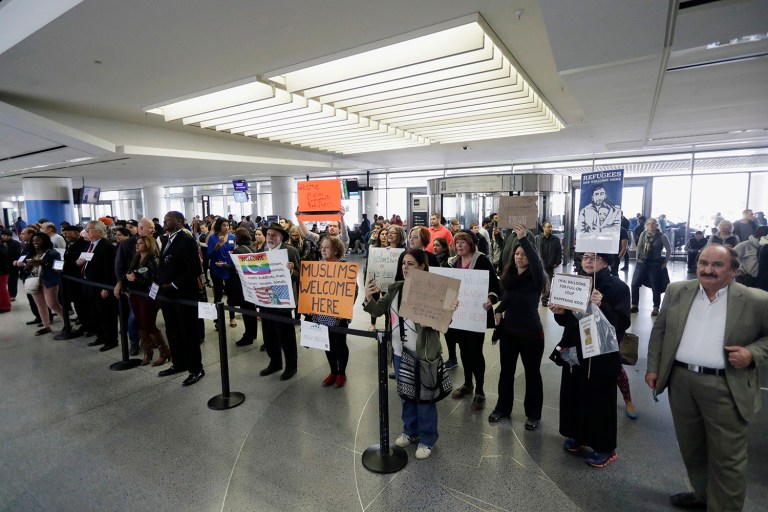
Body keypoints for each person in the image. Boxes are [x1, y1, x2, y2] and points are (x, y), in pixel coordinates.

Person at [646, 244, 768, 511]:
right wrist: (653, 367)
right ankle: (703, 494)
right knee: (693, 449)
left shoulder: (757, 300)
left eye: (717, 265)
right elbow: (660, 331)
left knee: (728, 458)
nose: (707, 270)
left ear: (734, 271)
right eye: (703, 263)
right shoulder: (678, 291)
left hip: (726, 385)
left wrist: (751, 353)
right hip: (681, 382)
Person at [363, 249, 458, 460]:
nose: (405, 267)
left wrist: (444, 314)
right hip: (398, 351)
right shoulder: (396, 288)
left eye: (411, 264)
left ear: (423, 266)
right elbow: (378, 310)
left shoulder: (434, 291)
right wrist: (368, 297)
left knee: (425, 398)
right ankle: (410, 431)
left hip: (424, 353)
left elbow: (445, 322)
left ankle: (428, 438)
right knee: (406, 395)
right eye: (404, 263)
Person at [550, 252, 631, 468]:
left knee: (600, 399)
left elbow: (621, 324)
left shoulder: (618, 287)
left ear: (606, 261)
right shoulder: (576, 283)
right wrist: (559, 312)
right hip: (575, 350)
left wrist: (602, 304)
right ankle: (579, 435)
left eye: (593, 258)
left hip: (601, 353)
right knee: (575, 393)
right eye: (585, 257)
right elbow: (567, 320)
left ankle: (605, 447)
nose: (587, 261)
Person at [490, 225, 547, 428]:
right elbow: (508, 298)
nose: (519, 257)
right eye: (516, 253)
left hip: (531, 333)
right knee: (506, 372)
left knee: (532, 374)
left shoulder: (536, 278)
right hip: (509, 332)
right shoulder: (510, 278)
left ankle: (533, 414)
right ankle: (502, 408)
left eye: (523, 254)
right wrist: (499, 309)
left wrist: (523, 239)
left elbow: (536, 263)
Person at [446, 231, 500, 412]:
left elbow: (495, 286)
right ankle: (468, 384)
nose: (459, 246)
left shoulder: (482, 260)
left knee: (475, 351)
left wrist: (491, 299)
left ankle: (480, 391)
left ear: (471, 244)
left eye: (463, 242)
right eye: (457, 243)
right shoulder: (452, 262)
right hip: (458, 313)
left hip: (477, 313)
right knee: (463, 349)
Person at [156, 211, 205, 386]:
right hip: (168, 296)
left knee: (188, 333)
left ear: (179, 221)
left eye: (167, 220)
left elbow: (195, 269)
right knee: (173, 330)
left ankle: (196, 368)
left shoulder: (186, 240)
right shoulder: (167, 239)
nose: (164, 222)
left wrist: (174, 284)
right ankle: (179, 363)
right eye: (164, 220)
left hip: (183, 295)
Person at [117, 235, 170, 366]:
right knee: (140, 324)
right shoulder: (136, 258)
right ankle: (148, 351)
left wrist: (135, 279)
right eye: (137, 243)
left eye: (140, 243)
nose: (137, 245)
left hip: (148, 296)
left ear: (148, 245)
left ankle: (164, 351)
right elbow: (128, 273)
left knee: (148, 324)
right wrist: (124, 284)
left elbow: (155, 279)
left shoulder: (154, 259)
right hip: (135, 295)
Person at [309, 236, 354, 388]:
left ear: (336, 249)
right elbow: (312, 289)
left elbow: (353, 290)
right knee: (326, 344)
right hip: (322, 313)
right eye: (322, 247)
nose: (323, 249)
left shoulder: (344, 266)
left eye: (327, 247)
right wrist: (311, 306)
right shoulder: (318, 266)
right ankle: (333, 371)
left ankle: (342, 373)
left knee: (340, 343)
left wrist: (345, 308)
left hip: (339, 314)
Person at [258, 222, 300, 380]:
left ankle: (291, 366)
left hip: (282, 298)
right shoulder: (262, 250)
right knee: (268, 334)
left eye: (273, 235)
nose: (270, 237)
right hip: (265, 296)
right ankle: (275, 362)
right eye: (268, 234)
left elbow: (299, 274)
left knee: (286, 335)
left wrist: (291, 270)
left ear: (281, 237)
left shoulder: (290, 251)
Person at [78, 221, 119, 351]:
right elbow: (83, 261)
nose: (87, 231)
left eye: (89, 229)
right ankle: (101, 336)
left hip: (101, 286)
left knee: (107, 314)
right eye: (86, 229)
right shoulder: (89, 245)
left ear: (100, 232)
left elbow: (110, 270)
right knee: (95, 313)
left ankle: (111, 340)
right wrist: (78, 262)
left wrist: (106, 287)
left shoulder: (107, 246)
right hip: (89, 285)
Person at [220, 228, 260, 347]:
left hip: (242, 285)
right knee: (251, 309)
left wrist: (224, 265)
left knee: (245, 310)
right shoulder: (254, 248)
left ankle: (248, 335)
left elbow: (234, 268)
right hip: (253, 284)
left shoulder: (238, 250)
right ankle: (252, 334)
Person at [23, 233, 66, 335]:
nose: (35, 243)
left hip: (50, 281)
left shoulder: (53, 253)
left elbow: (59, 268)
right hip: (34, 280)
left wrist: (44, 263)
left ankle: (67, 324)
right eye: (33, 241)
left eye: (38, 240)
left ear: (45, 241)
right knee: (40, 305)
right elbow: (25, 269)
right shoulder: (32, 253)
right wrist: (28, 265)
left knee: (52, 304)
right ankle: (46, 326)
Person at [631, 218, 671, 316]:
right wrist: (637, 258)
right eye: (648, 224)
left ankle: (656, 307)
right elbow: (639, 246)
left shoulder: (662, 236)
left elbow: (669, 250)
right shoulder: (643, 234)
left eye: (653, 224)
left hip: (655, 264)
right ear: (646, 225)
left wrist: (665, 262)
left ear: (657, 225)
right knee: (634, 284)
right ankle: (634, 305)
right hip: (642, 262)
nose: (651, 225)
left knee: (655, 286)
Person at [208, 217, 237, 328]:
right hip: (216, 269)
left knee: (231, 295)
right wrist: (218, 246)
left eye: (227, 225)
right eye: (224, 225)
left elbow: (235, 252)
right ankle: (217, 320)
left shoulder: (232, 237)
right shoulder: (212, 238)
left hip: (229, 268)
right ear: (219, 226)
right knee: (218, 295)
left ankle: (232, 317)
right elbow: (209, 255)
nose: (226, 227)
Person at [535, 221, 562, 306]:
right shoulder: (537, 239)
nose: (550, 228)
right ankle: (535, 299)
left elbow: (559, 252)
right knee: (537, 282)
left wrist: (557, 262)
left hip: (550, 265)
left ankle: (545, 300)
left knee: (548, 283)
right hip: (539, 265)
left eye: (551, 227)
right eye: (548, 227)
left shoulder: (555, 239)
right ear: (543, 228)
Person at [1, 229, 21, 302]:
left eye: (8, 236)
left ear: (11, 236)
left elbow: (18, 254)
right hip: (3, 266)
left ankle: (12, 295)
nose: (6, 237)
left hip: (12, 265)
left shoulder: (15, 243)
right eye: (4, 236)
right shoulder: (1, 243)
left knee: (12, 280)